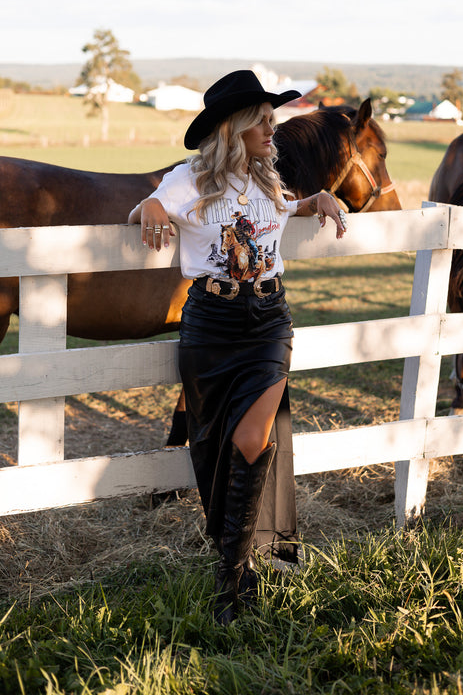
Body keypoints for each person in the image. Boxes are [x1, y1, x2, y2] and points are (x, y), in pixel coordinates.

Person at [128, 70, 347, 625]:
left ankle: (230, 579)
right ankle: (239, 566)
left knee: (253, 437)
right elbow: (145, 209)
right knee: (209, 447)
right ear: (236, 127)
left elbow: (285, 209)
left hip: (270, 321)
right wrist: (149, 210)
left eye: (274, 119)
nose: (274, 128)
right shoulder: (190, 180)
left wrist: (315, 197)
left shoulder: (268, 181)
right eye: (264, 120)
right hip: (210, 324)